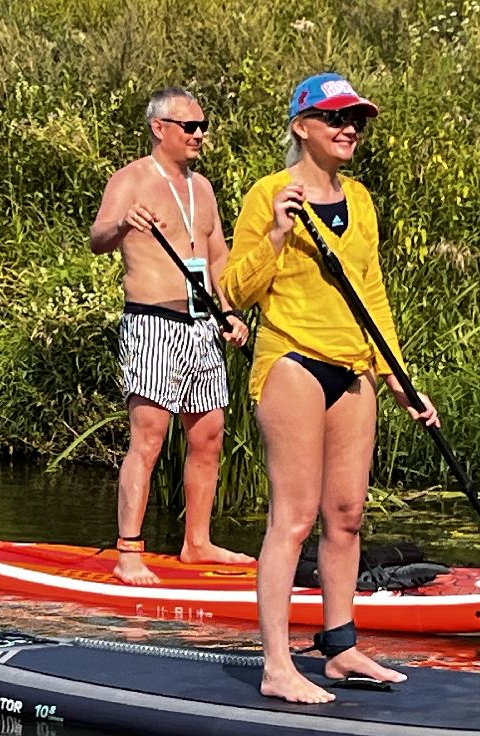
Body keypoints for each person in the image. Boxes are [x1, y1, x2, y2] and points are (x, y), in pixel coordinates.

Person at [221, 74, 439, 704]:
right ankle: (276, 665)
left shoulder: (360, 200)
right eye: (336, 118)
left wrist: (398, 378)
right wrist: (275, 236)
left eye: (356, 120)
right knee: (292, 519)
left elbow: (373, 296)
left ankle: (340, 649)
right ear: (302, 126)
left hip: (355, 368)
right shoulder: (269, 193)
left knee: (346, 517)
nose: (350, 129)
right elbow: (233, 291)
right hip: (292, 361)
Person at [89, 87, 253, 585]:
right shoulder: (131, 178)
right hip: (152, 322)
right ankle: (128, 552)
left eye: (204, 126)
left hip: (202, 324)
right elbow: (97, 238)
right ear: (160, 128)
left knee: (208, 435)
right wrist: (124, 222)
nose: (199, 135)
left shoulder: (202, 187)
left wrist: (229, 310)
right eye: (190, 127)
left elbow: (217, 254)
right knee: (149, 438)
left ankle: (197, 542)